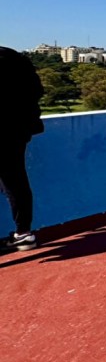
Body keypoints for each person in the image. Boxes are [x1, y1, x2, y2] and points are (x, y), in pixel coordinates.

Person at [0, 46, 44, 251]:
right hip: (18, 130)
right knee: (15, 180)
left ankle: (23, 234)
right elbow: (37, 90)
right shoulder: (15, 57)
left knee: (12, 182)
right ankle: (24, 233)